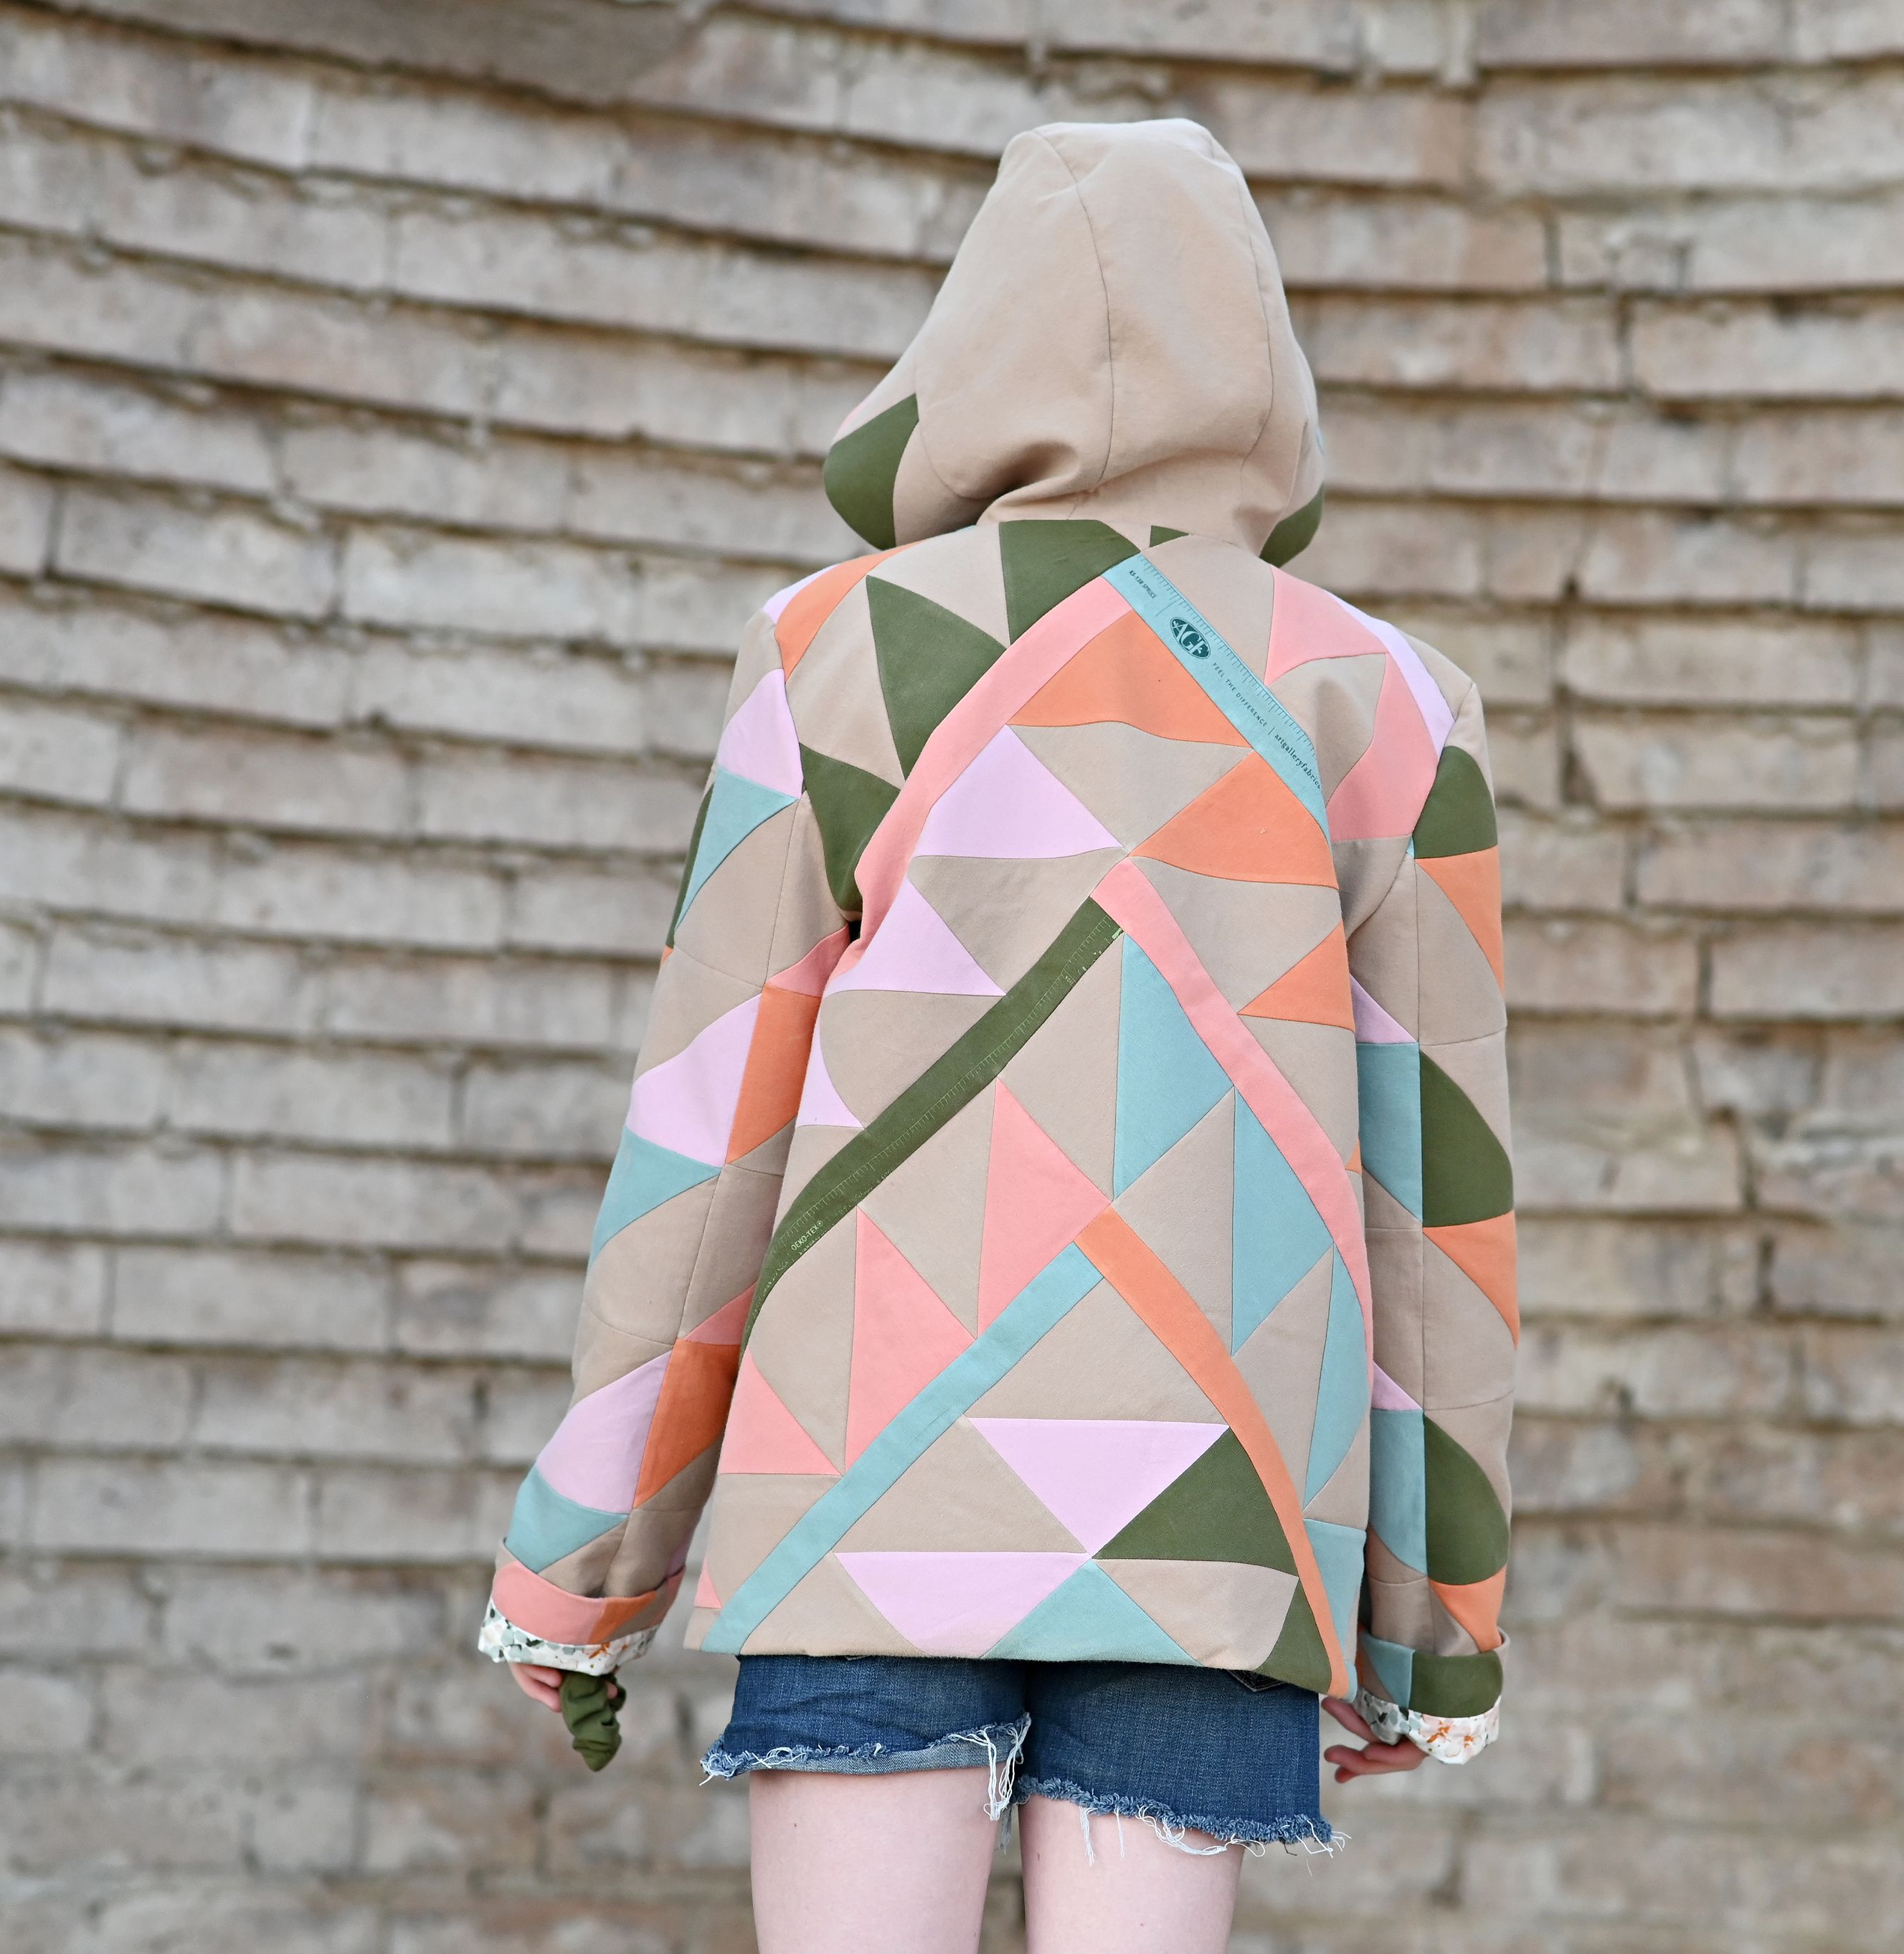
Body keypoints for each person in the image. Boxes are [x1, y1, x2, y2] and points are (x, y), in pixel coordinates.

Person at [478, 118, 1517, 1953]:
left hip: (864, 1487)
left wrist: (583, 1569)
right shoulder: (1385, 700)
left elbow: (708, 1149)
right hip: (1215, 1515)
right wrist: (1430, 1631)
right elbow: (1433, 1204)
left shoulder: (830, 653)